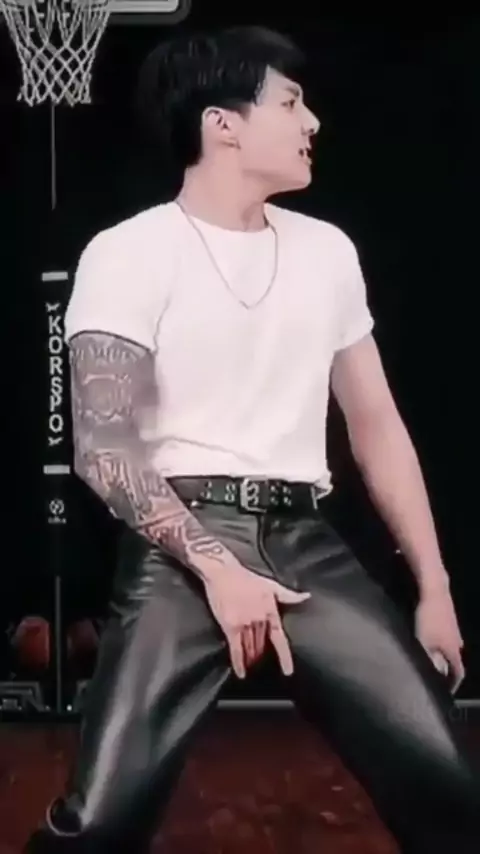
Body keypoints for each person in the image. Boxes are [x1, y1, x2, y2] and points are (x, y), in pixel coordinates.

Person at [26, 24, 479, 854]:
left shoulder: (327, 252)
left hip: (306, 543)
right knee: (101, 823)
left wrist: (436, 588)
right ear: (222, 124)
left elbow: (377, 426)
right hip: (177, 544)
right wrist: (218, 568)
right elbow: (104, 447)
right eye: (291, 102)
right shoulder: (127, 253)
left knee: (450, 788)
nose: (313, 123)